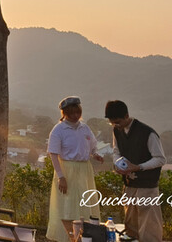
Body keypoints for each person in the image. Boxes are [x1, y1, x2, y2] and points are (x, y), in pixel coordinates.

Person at [105, 100, 166, 242]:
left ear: (127, 116)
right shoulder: (116, 130)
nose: (116, 125)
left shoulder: (148, 133)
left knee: (149, 226)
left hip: (147, 185)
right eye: (112, 122)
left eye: (118, 122)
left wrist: (138, 167)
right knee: (131, 225)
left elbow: (160, 159)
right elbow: (116, 152)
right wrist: (118, 165)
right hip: (129, 184)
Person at [46, 96, 103, 242]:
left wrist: (95, 154)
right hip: (67, 169)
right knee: (68, 205)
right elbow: (53, 154)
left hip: (84, 170)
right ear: (64, 113)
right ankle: (68, 237)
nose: (75, 116)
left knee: (85, 203)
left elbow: (91, 145)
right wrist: (61, 176)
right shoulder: (59, 130)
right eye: (72, 113)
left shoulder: (84, 127)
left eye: (77, 112)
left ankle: (86, 236)